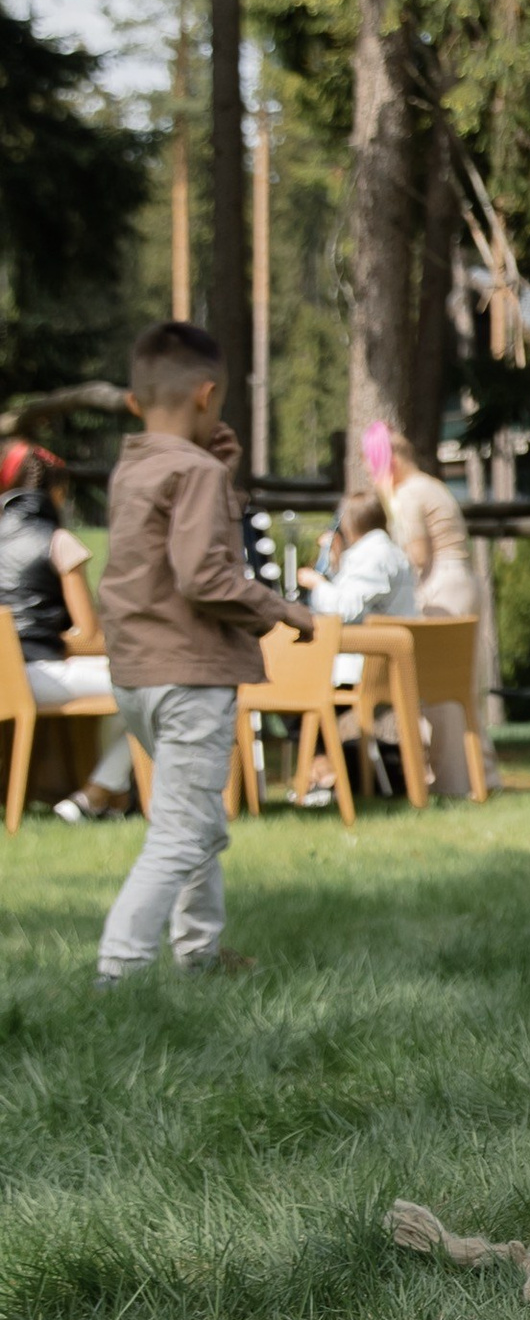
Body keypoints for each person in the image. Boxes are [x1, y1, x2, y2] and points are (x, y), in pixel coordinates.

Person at [95, 318, 311, 982]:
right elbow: (205, 576)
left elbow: (172, 553)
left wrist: (220, 475)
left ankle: (198, 953)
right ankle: (120, 969)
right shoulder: (196, 473)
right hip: (190, 677)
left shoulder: (134, 471)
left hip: (137, 677)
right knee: (186, 830)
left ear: (136, 401)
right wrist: (282, 609)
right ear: (206, 395)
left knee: (188, 813)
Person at [1, 440, 137, 817]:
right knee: (145, 684)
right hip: (38, 673)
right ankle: (98, 792)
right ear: (57, 491)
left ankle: (113, 798)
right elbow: (89, 635)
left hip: (5, 680)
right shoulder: (56, 541)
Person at [361, 421, 476, 794]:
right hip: (462, 583)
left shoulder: (409, 495)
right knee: (460, 690)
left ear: (388, 461)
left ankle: (449, 785)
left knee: (439, 694)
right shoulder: (433, 486)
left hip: (441, 589)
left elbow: (418, 555)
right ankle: (478, 777)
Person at [302, 484, 421, 799]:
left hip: (368, 669)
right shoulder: (386, 552)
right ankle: (326, 773)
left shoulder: (374, 554)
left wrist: (317, 583)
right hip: (383, 665)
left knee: (299, 695)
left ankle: (322, 775)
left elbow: (345, 608)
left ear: (348, 524)